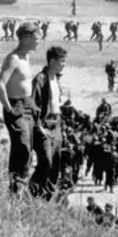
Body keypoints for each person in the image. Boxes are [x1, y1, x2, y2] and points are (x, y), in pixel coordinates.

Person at [0, 20, 40, 193]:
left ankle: (22, 186)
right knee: (22, 147)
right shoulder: (13, 59)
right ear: (27, 38)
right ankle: (16, 188)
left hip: (27, 104)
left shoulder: (26, 57)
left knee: (28, 147)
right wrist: (8, 108)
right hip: (16, 105)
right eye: (36, 36)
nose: (39, 40)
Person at [29, 46, 67, 200]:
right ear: (52, 61)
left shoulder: (56, 78)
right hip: (44, 125)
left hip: (56, 124)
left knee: (56, 164)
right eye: (62, 61)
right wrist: (38, 127)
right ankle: (32, 193)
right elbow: (32, 104)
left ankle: (46, 198)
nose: (64, 64)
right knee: (46, 161)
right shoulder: (40, 79)